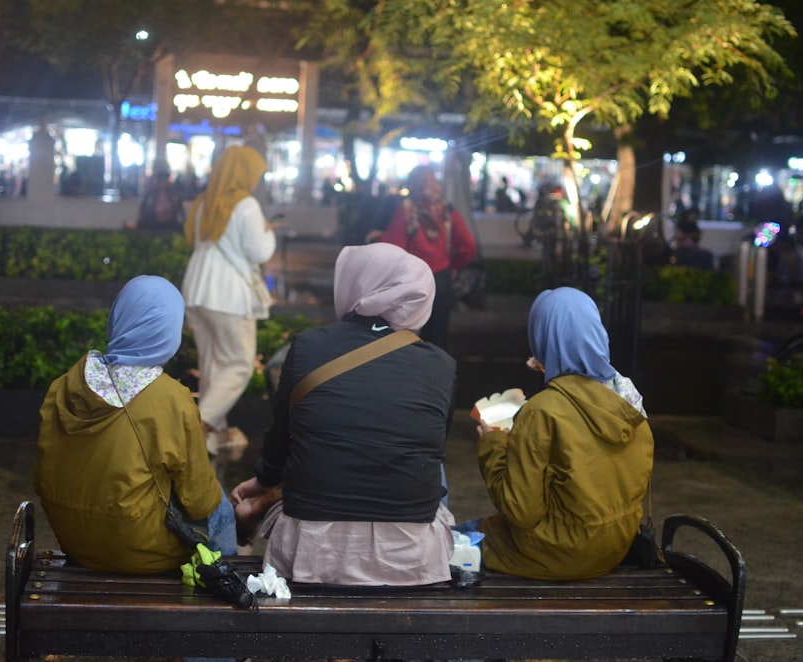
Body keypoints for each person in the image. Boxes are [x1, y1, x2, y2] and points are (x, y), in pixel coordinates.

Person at [231, 242, 457, 586]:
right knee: (430, 461)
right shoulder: (442, 364)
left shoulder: (308, 346)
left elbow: (280, 440)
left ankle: (266, 502)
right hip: (410, 556)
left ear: (354, 282)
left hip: (313, 548)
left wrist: (262, 481)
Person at [34, 275, 236, 574]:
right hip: (142, 550)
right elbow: (199, 501)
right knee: (220, 509)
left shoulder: (64, 386)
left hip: (75, 541)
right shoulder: (171, 398)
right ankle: (223, 594)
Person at [465, 287, 654, 580]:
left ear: (541, 340)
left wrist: (492, 444)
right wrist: (551, 365)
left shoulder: (542, 411)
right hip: (614, 548)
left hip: (556, 554)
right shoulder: (626, 396)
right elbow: (585, 401)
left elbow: (521, 511)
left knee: (452, 537)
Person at [182, 145, 278, 457]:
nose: (255, 182)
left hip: (197, 288)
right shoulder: (246, 205)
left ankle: (215, 434)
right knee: (237, 364)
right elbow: (259, 252)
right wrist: (269, 233)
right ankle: (196, 425)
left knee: (212, 363)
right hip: (227, 293)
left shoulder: (202, 202)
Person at [377, 165, 477, 352]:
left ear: (414, 185)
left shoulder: (406, 211)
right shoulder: (447, 211)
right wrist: (454, 265)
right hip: (441, 280)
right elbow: (468, 246)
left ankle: (409, 375)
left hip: (412, 281)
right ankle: (436, 377)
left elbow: (393, 249)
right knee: (437, 337)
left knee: (405, 335)